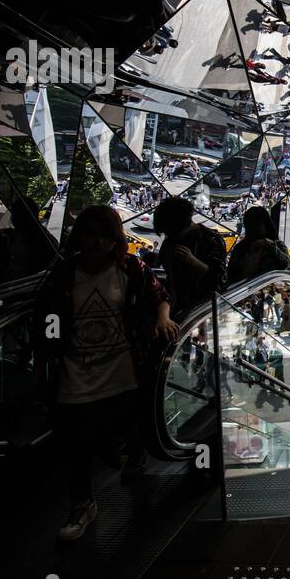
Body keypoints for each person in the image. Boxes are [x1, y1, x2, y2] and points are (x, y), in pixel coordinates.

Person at [32, 206, 177, 542]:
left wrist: (163, 319)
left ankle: (124, 460)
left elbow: (159, 295)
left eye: (106, 236)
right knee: (76, 442)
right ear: (79, 236)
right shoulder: (64, 275)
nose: (98, 243)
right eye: (90, 235)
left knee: (116, 429)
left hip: (123, 369)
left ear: (115, 238)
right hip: (74, 370)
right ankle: (82, 504)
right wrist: (41, 368)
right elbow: (44, 324)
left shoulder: (130, 268)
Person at [154, 196, 228, 320]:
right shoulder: (170, 243)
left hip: (202, 312)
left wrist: (193, 262)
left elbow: (220, 281)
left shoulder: (211, 240)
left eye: (170, 232)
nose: (169, 236)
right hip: (177, 309)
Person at [227, 205, 290, 284]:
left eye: (256, 224)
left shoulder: (276, 245)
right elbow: (231, 275)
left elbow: (285, 264)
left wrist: (268, 244)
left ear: (266, 224)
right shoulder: (241, 248)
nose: (253, 229)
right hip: (244, 291)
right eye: (250, 225)